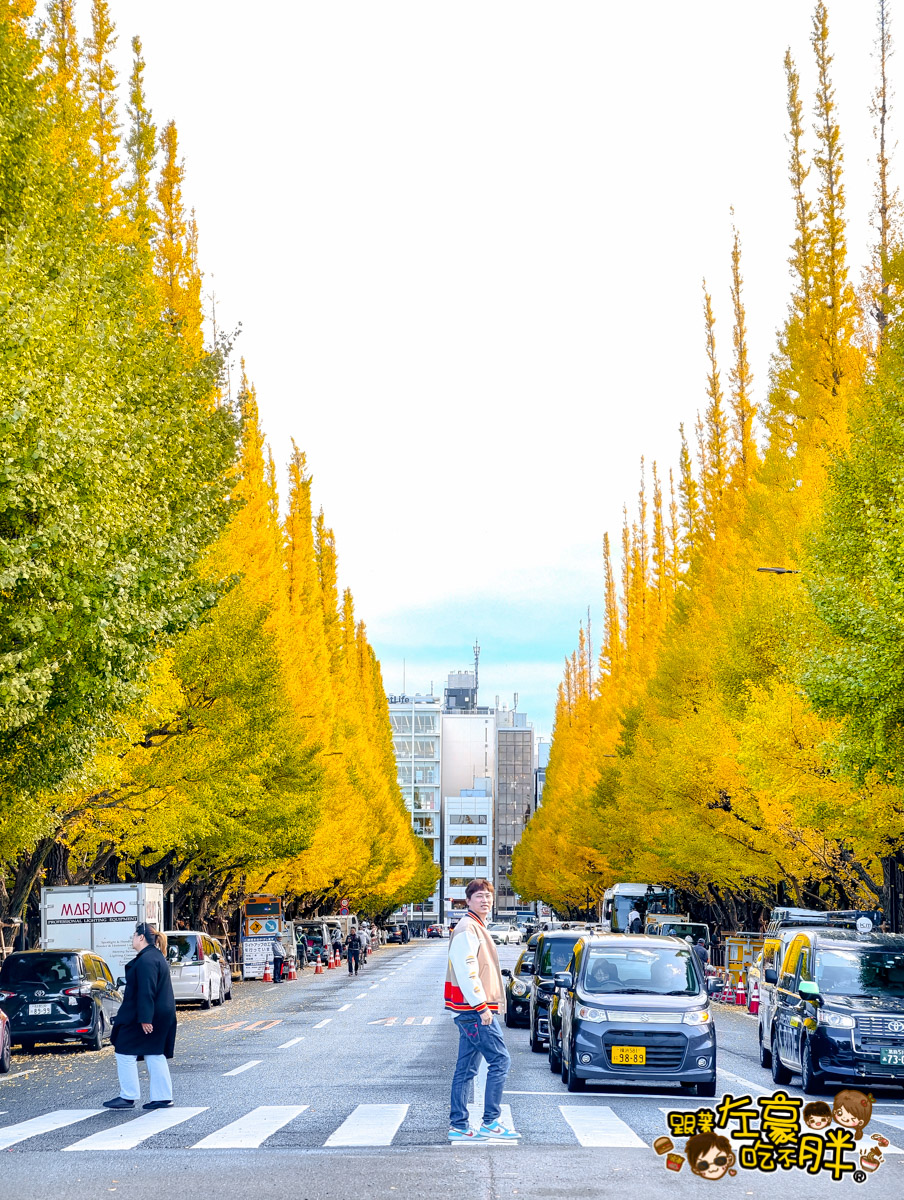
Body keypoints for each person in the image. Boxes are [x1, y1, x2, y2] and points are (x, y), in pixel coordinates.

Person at [445, 878, 519, 1143]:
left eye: (488, 896)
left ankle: (460, 1125)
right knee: (500, 1060)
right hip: (474, 1010)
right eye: (479, 897)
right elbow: (467, 972)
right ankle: (489, 1121)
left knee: (466, 1070)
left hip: (469, 1009)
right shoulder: (468, 928)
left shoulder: (475, 926)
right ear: (468, 901)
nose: (485, 900)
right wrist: (481, 1007)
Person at [105, 923, 177, 1110]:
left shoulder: (147, 960)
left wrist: (145, 1018)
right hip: (158, 1014)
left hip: (146, 1015)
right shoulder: (155, 956)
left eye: (134, 935)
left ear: (141, 937)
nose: (132, 938)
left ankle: (128, 1096)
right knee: (154, 1052)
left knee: (123, 1049)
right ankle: (162, 1097)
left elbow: (147, 990)